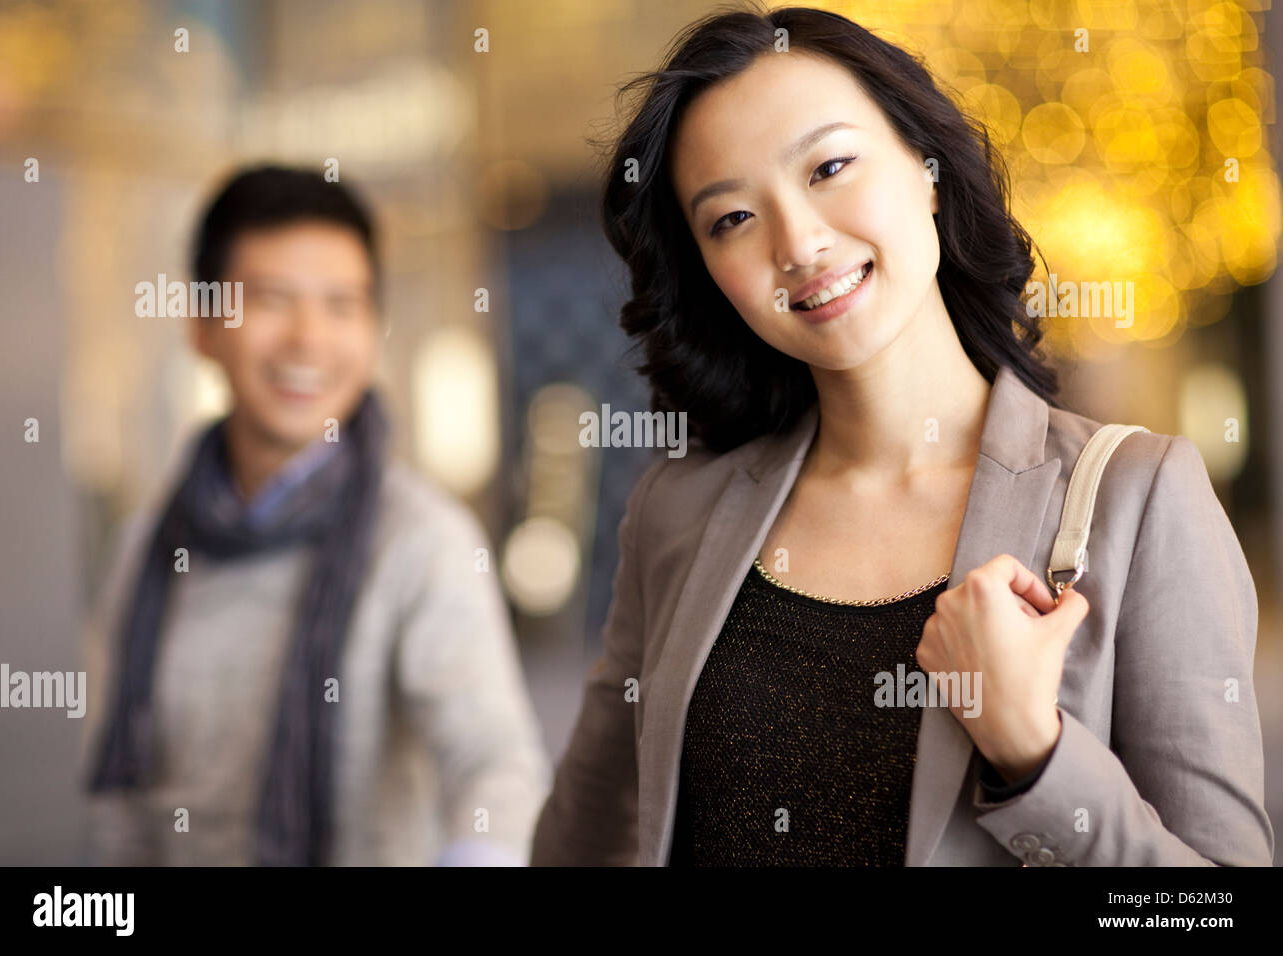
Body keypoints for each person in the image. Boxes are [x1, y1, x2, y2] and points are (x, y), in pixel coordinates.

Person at [531, 5, 1273, 866]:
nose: (799, 242)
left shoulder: (1138, 500)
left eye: (830, 166)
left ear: (925, 169)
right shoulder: (678, 511)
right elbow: (579, 839)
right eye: (732, 218)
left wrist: (1036, 755)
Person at [80, 165, 550, 866]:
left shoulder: (420, 540)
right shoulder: (149, 547)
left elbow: (495, 763)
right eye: (272, 300)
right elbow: (125, 802)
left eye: (341, 304)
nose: (308, 338)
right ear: (204, 327)